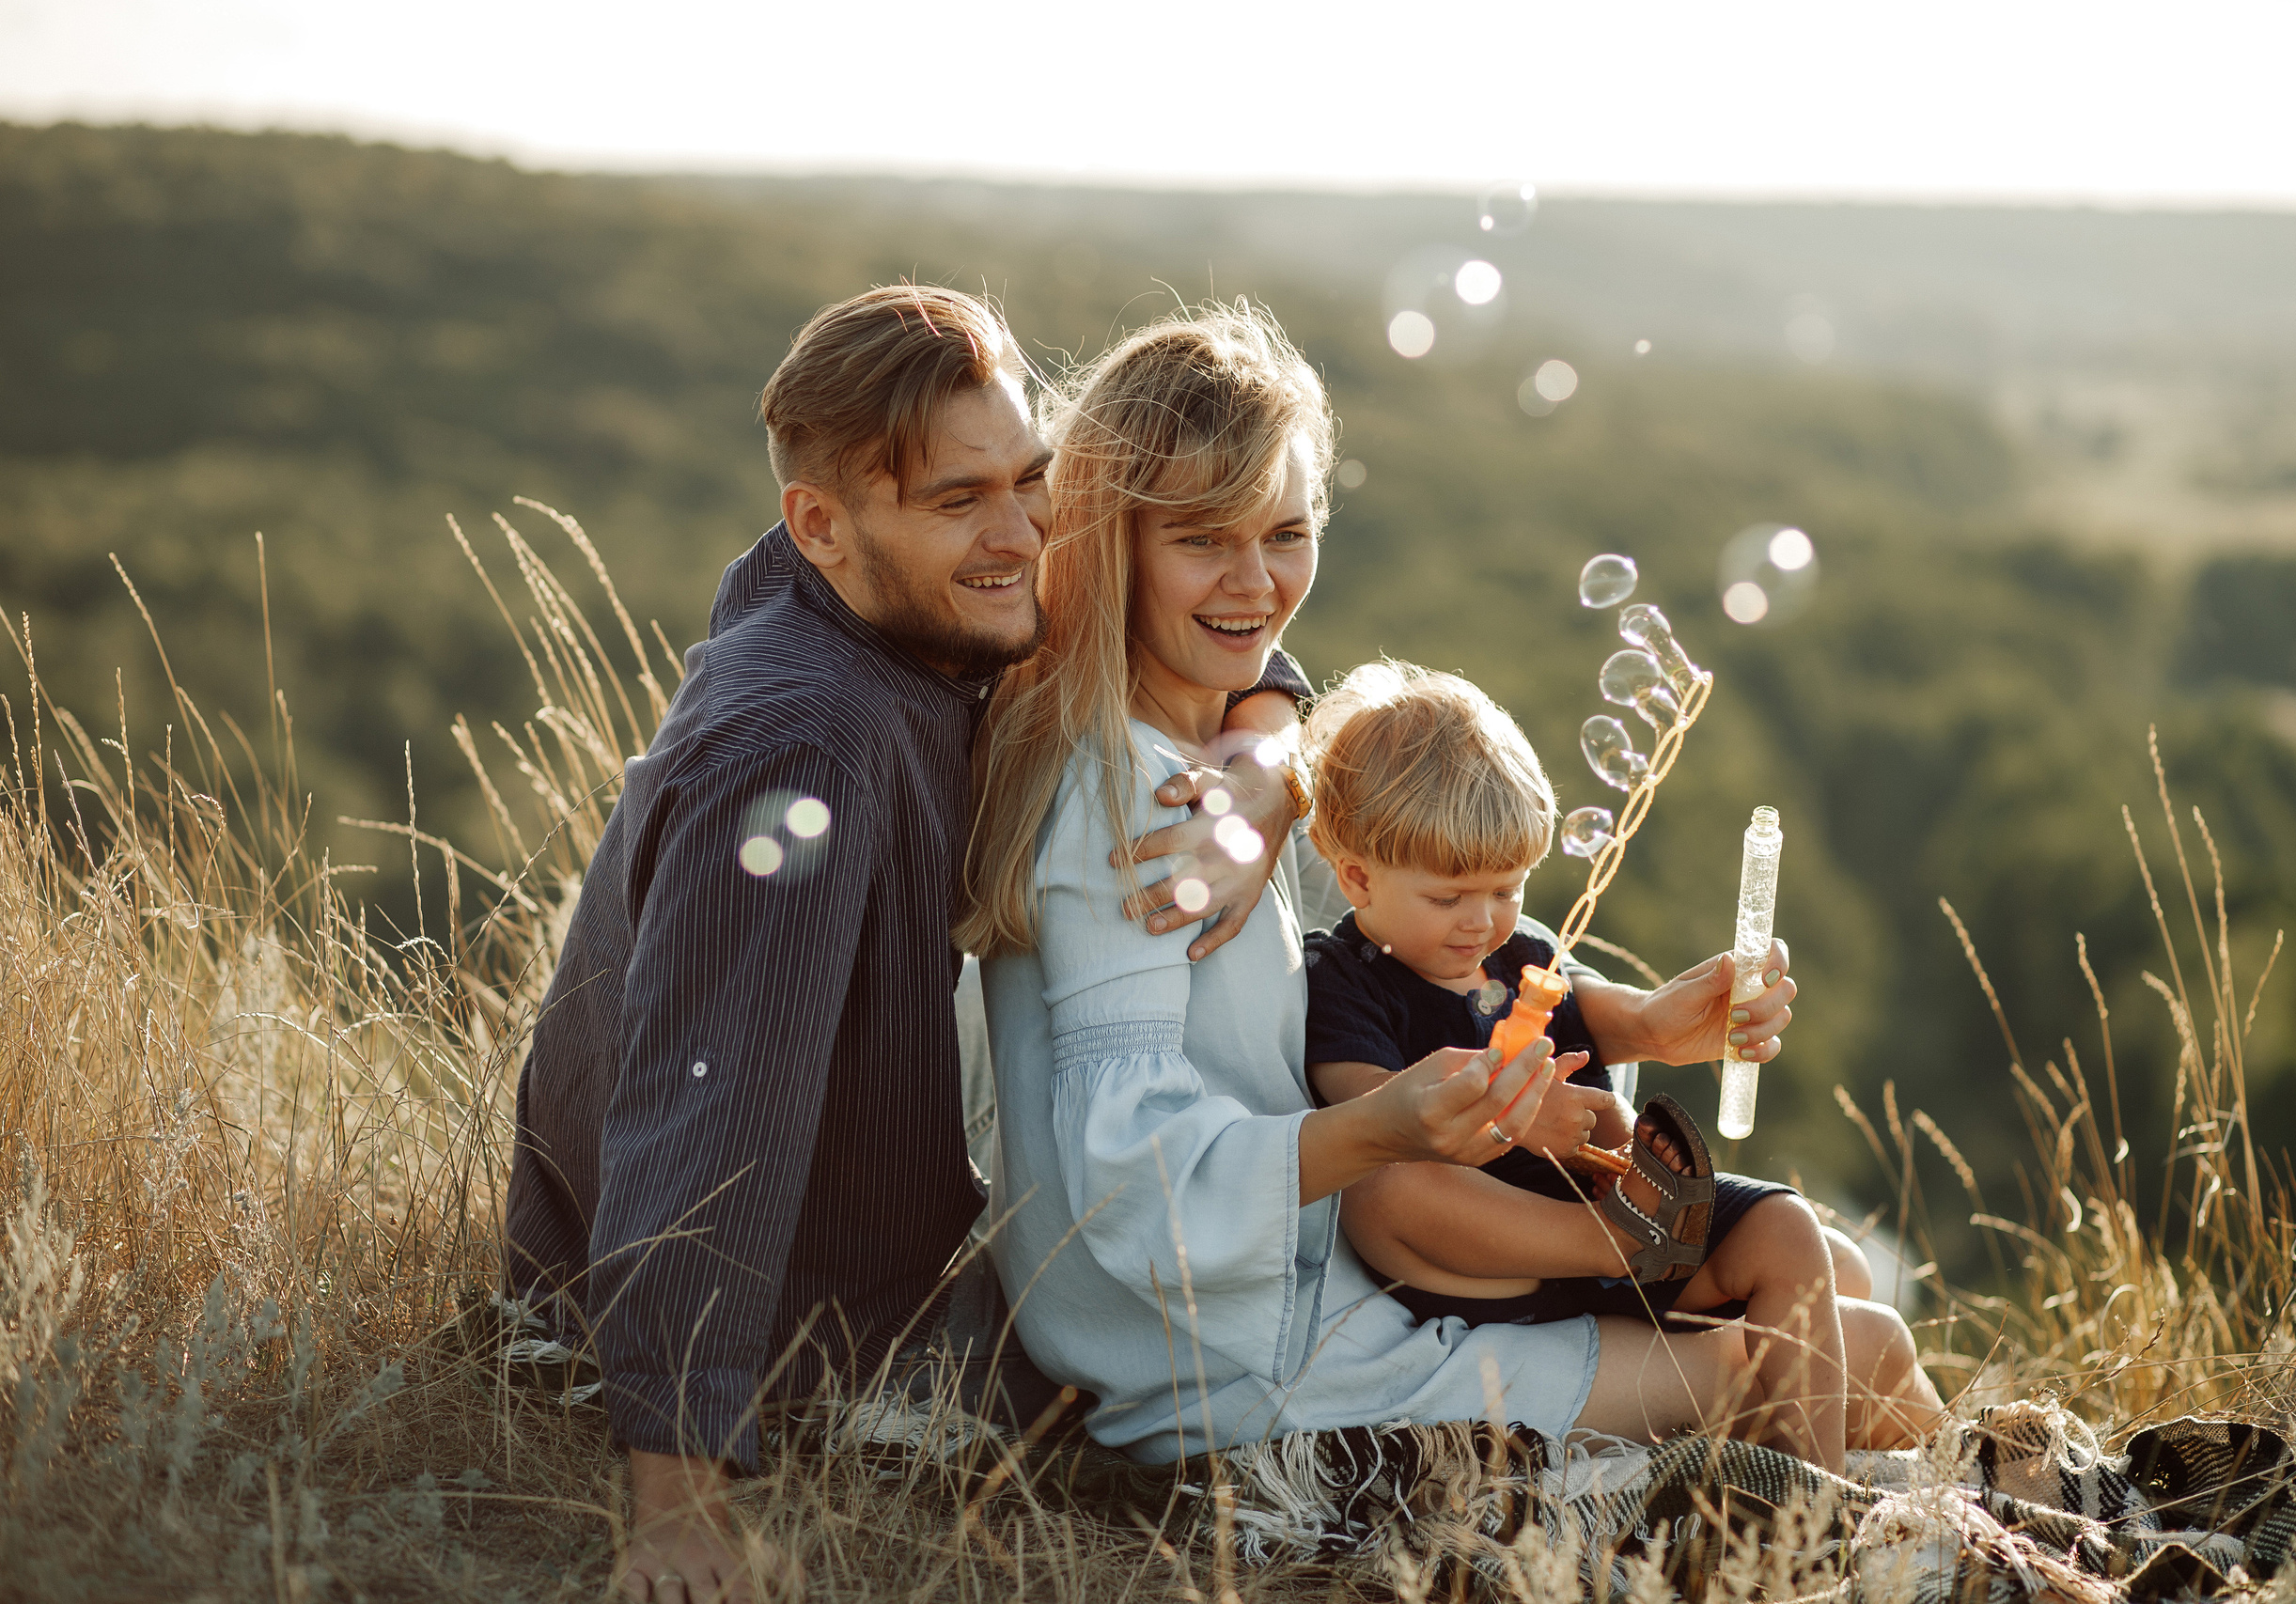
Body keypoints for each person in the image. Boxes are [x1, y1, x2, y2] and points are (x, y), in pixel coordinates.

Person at [501, 285, 1309, 1604]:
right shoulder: (803, 748)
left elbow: (1206, 604)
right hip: (807, 1340)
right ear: (820, 523)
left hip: (886, 1257)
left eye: (1030, 481)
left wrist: (1265, 745)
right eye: (959, 501)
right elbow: (703, 1118)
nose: (1022, 536)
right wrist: (678, 1503)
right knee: (1259, 1389)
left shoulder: (919, 600)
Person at [965, 303, 1835, 1466]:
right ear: (1105, 539)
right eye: (1199, 540)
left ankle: (1946, 1508)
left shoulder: (1207, 761)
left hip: (1281, 1298)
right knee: (1825, 1348)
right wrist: (1375, 1129)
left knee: (1835, 1309)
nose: (1254, 581)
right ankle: (1857, 1543)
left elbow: (1279, 693)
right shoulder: (1144, 814)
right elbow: (1126, 1182)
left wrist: (1273, 749)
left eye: (1284, 531)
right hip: (1238, 1359)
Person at [1296, 661, 1943, 1470]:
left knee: (1816, 1253)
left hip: (1617, 1234)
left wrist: (1672, 1020)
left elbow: (1615, 1015)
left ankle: (1916, 1464)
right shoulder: (1346, 978)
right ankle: (1814, 1503)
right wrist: (1520, 1120)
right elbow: (1374, 1117)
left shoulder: (1520, 954)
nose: (1483, 922)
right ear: (1356, 875)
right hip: (1492, 1261)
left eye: (1508, 888)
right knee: (1387, 1177)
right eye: (1450, 897)